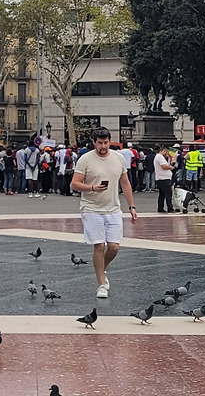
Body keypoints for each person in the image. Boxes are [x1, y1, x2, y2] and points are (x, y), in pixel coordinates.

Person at [71, 128, 136, 299]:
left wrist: (132, 207)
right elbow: (74, 184)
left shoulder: (118, 158)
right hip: (91, 208)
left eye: (106, 142)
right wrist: (92, 187)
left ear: (109, 141)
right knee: (99, 246)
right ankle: (101, 284)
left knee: (114, 247)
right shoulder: (85, 159)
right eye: (100, 143)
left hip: (113, 208)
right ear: (94, 143)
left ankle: (100, 269)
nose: (103, 146)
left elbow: (125, 183)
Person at [154, 146, 175, 212]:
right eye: (167, 152)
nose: (167, 154)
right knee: (168, 194)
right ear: (164, 151)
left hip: (161, 178)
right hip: (164, 179)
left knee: (162, 194)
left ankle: (160, 208)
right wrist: (170, 168)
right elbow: (164, 166)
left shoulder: (158, 157)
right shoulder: (160, 157)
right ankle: (170, 208)